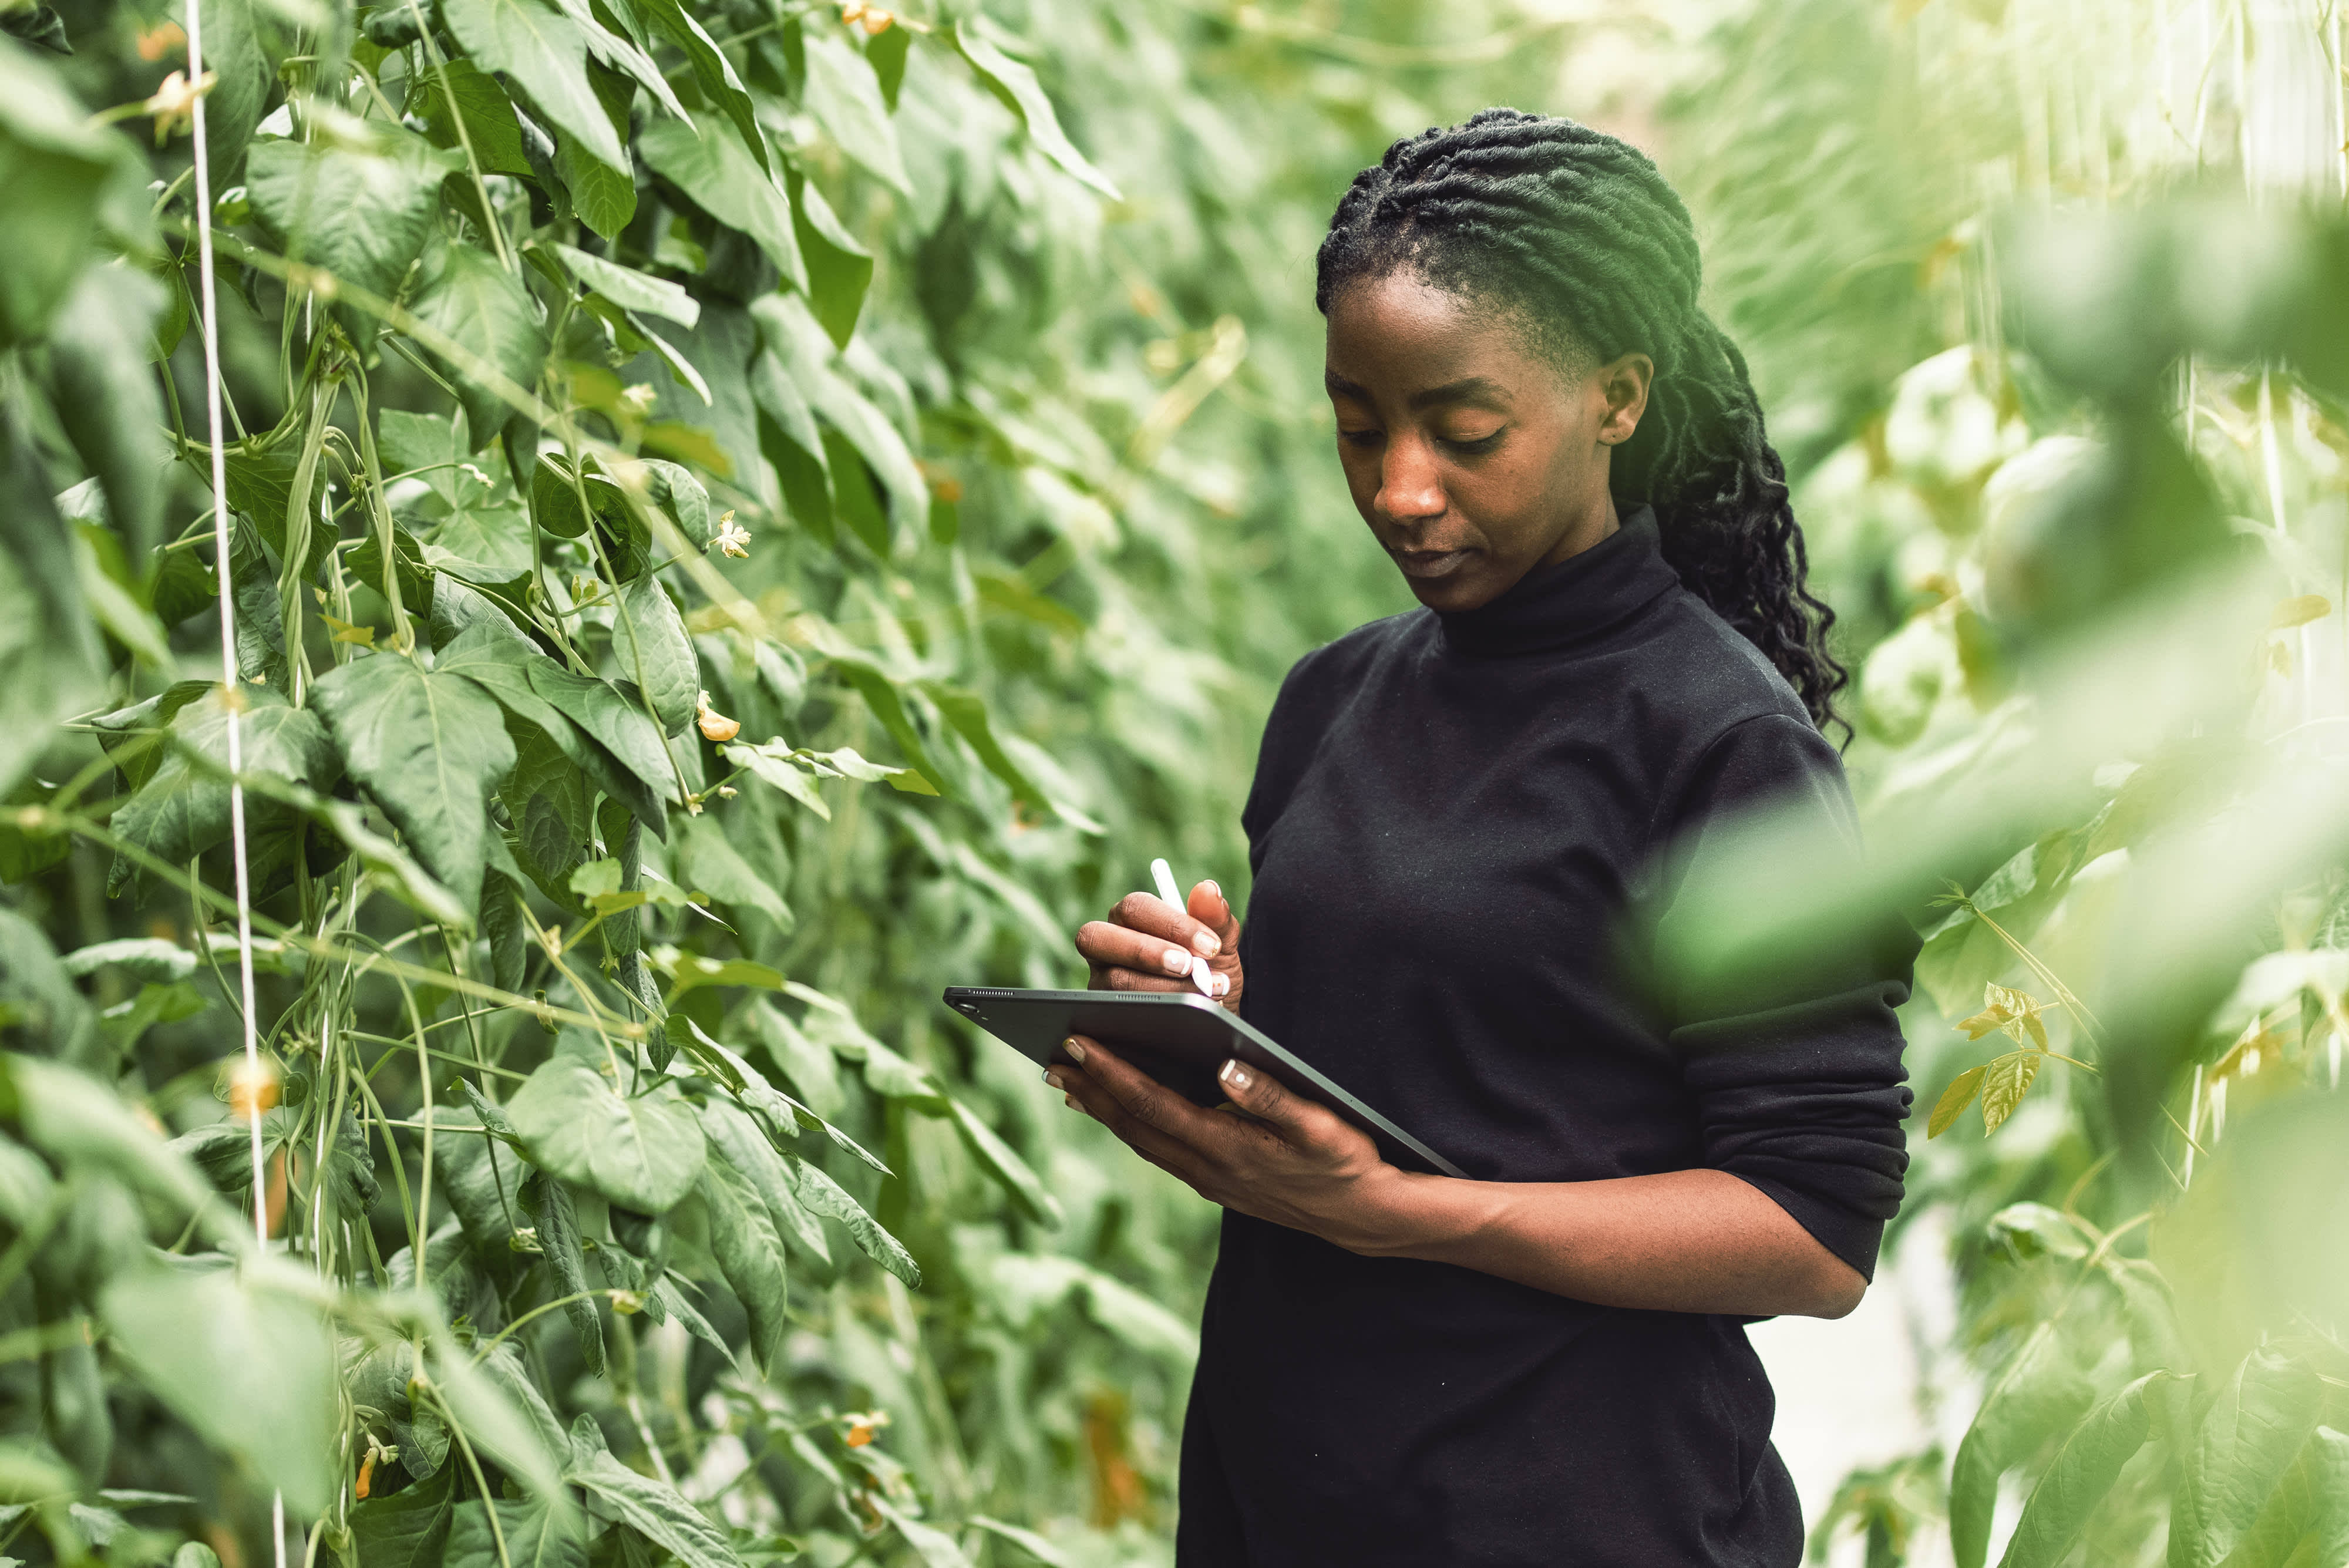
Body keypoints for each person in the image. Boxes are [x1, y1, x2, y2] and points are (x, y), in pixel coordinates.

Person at [1056, 109, 1914, 1567]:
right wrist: (1221, 1022)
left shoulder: (1716, 743)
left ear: (1615, 397)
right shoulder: (1334, 695)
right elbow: (1447, 1047)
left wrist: (1412, 1217)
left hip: (1581, 1515)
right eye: (1354, 424)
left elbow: (1813, 1230)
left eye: (1464, 433)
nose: (1399, 487)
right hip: (1287, 1498)